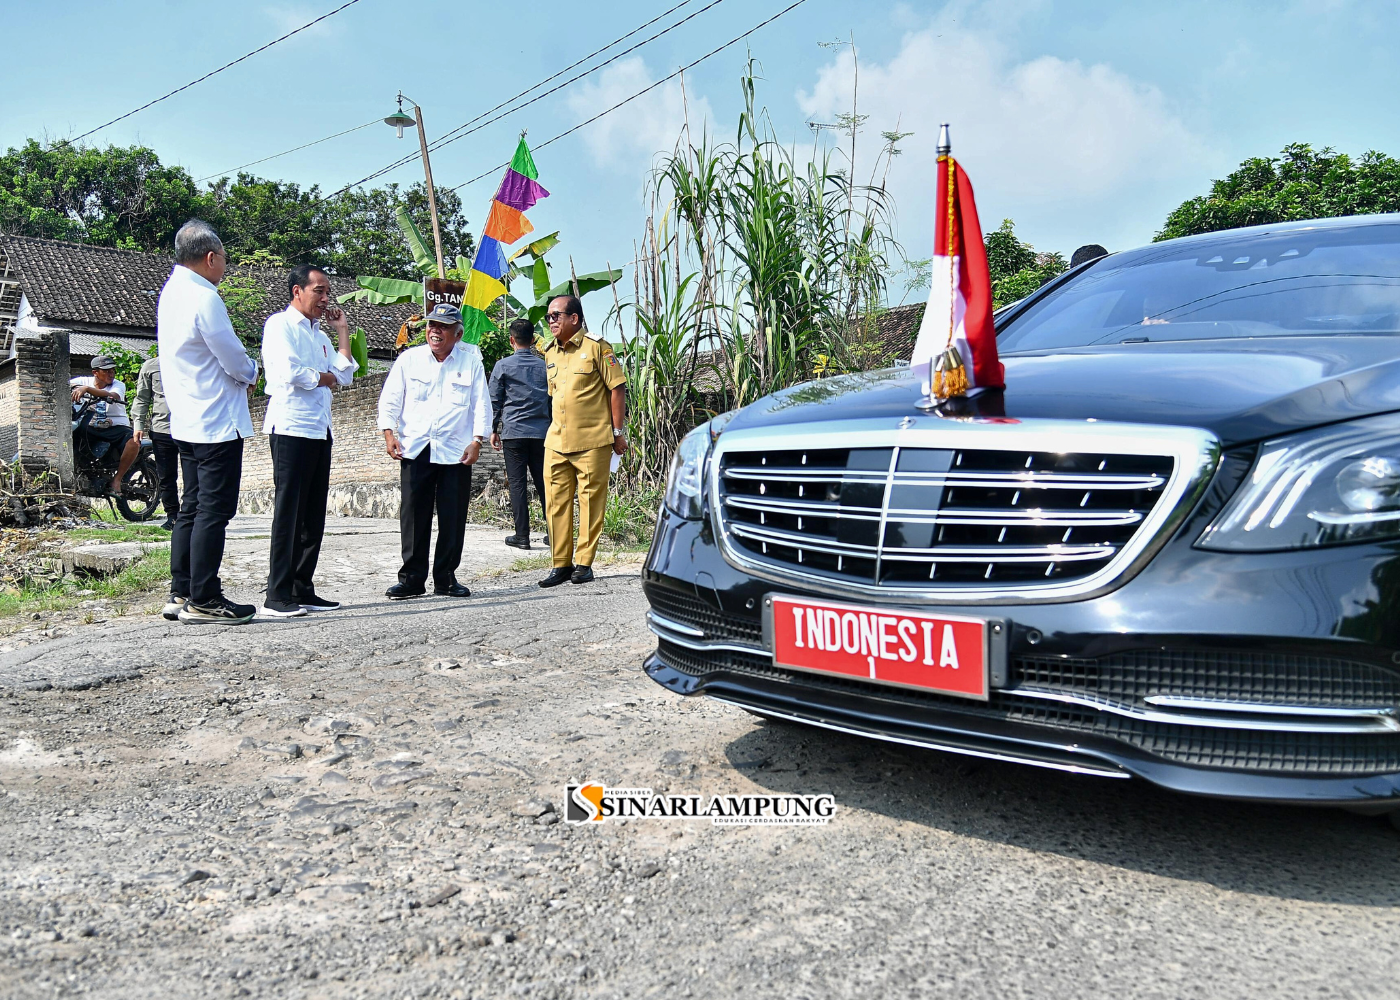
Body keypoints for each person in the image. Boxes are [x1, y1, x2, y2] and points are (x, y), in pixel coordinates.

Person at [156, 219, 260, 625]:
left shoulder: (170, 292)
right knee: (214, 511)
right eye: (224, 261)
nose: (225, 269)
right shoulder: (204, 296)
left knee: (193, 507)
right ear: (211, 257)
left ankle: (181, 591)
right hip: (215, 419)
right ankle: (205, 599)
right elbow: (232, 356)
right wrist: (251, 371)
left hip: (186, 419)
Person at [257, 264, 357, 619]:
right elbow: (288, 373)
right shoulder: (279, 326)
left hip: (319, 428)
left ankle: (303, 587)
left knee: (313, 513)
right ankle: (277, 594)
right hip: (290, 428)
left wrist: (342, 330)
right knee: (289, 513)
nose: (325, 298)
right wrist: (326, 376)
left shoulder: (320, 335)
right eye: (319, 290)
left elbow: (346, 375)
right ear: (297, 291)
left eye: (327, 291)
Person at [377, 303, 492, 600]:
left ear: (458, 333)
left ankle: (446, 577)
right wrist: (389, 432)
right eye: (431, 325)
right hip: (416, 447)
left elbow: (482, 404)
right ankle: (412, 579)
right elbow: (390, 398)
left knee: (453, 516)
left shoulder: (470, 363)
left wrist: (477, 440)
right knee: (414, 516)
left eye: (442, 327)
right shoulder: (409, 360)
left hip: (456, 450)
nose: (435, 331)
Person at [539, 295, 627, 588]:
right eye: (549, 316)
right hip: (556, 441)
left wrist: (617, 433)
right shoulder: (549, 352)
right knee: (556, 504)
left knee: (590, 503)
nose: (550, 321)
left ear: (574, 318)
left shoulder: (597, 347)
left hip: (593, 440)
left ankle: (584, 563)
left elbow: (617, 389)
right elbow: (554, 396)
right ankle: (560, 564)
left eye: (556, 315)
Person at [489, 318, 551, 550]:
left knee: (517, 484)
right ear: (534, 340)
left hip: (513, 432)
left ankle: (522, 536)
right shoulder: (545, 365)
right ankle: (555, 535)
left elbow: (495, 400)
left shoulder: (502, 366)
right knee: (546, 484)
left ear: (511, 340)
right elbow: (554, 400)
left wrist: (493, 429)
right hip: (542, 434)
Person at [70, 355, 139, 495]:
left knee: (134, 441)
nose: (111, 373)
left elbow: (113, 396)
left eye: (112, 370)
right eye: (106, 371)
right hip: (90, 425)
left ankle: (117, 480)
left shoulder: (118, 384)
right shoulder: (83, 381)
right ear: (95, 372)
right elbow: (60, 385)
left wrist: (86, 389)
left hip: (115, 425)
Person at [130, 354, 179, 530]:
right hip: (162, 429)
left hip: (191, 428)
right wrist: (138, 424)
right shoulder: (151, 366)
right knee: (166, 476)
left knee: (194, 476)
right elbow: (142, 397)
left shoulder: (193, 360)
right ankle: (173, 516)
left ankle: (192, 515)